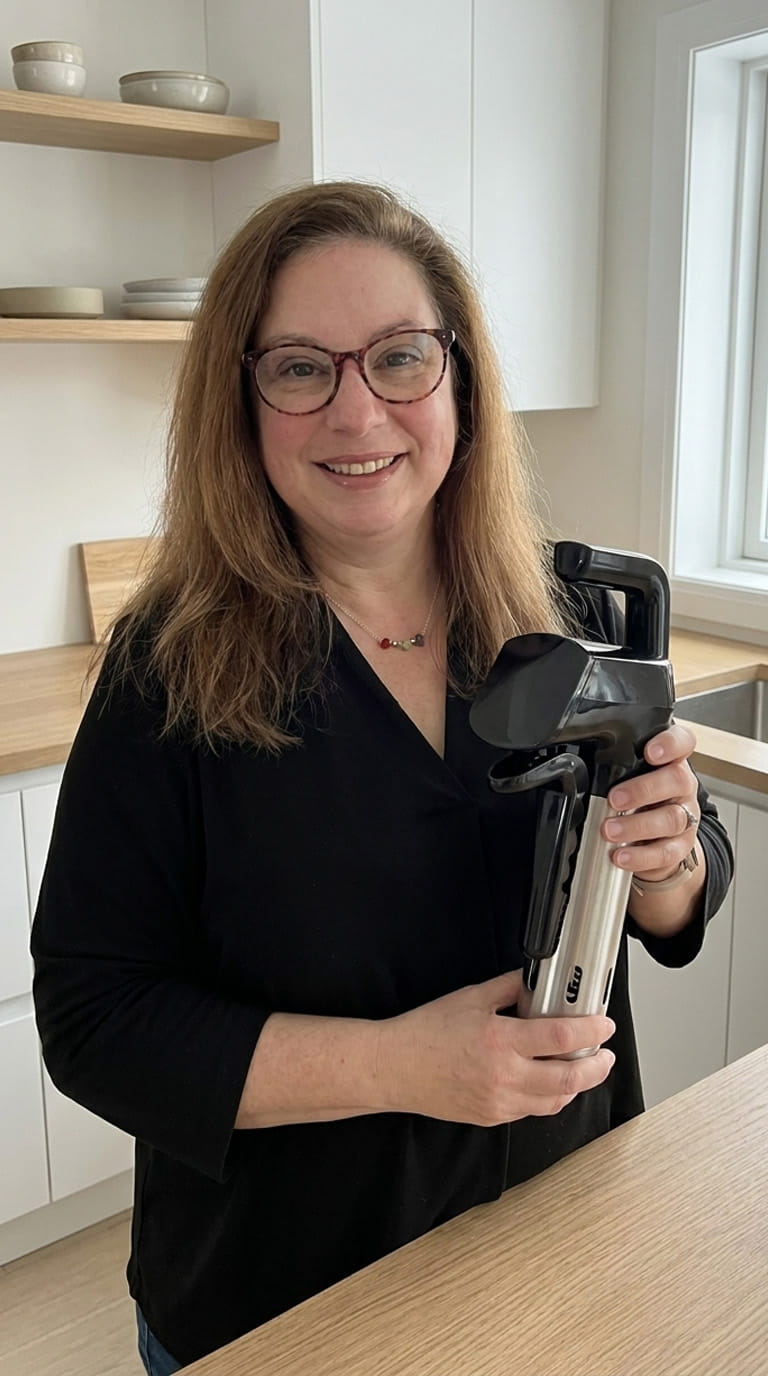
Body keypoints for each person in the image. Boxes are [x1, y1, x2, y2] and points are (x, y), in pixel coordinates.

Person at [31, 181, 733, 1374]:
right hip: (291, 1301)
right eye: (301, 368)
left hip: (562, 1237)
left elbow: (688, 874)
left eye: (401, 356)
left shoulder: (566, 610)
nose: (358, 412)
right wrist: (403, 1063)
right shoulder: (171, 668)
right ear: (241, 403)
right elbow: (95, 1020)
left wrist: (669, 864)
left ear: (459, 379)